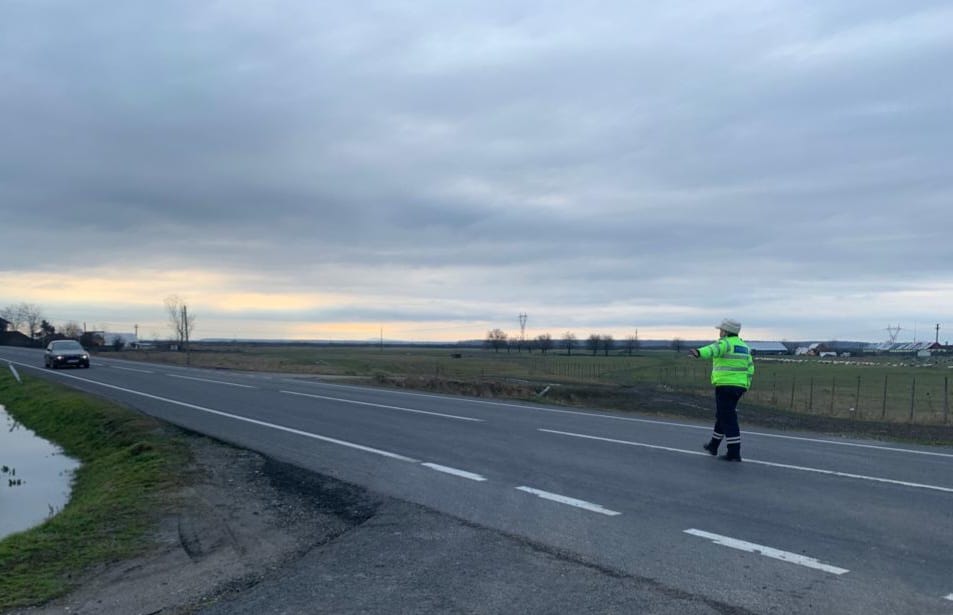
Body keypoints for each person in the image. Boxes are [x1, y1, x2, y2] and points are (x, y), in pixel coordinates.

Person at [688, 318, 754, 461]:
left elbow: (712, 349)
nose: (719, 332)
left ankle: (734, 452)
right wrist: (746, 385)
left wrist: (698, 352)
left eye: (721, 329)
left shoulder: (725, 343)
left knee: (728, 418)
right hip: (739, 387)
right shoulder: (744, 347)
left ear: (726, 331)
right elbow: (750, 368)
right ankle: (713, 445)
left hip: (725, 386)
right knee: (723, 415)